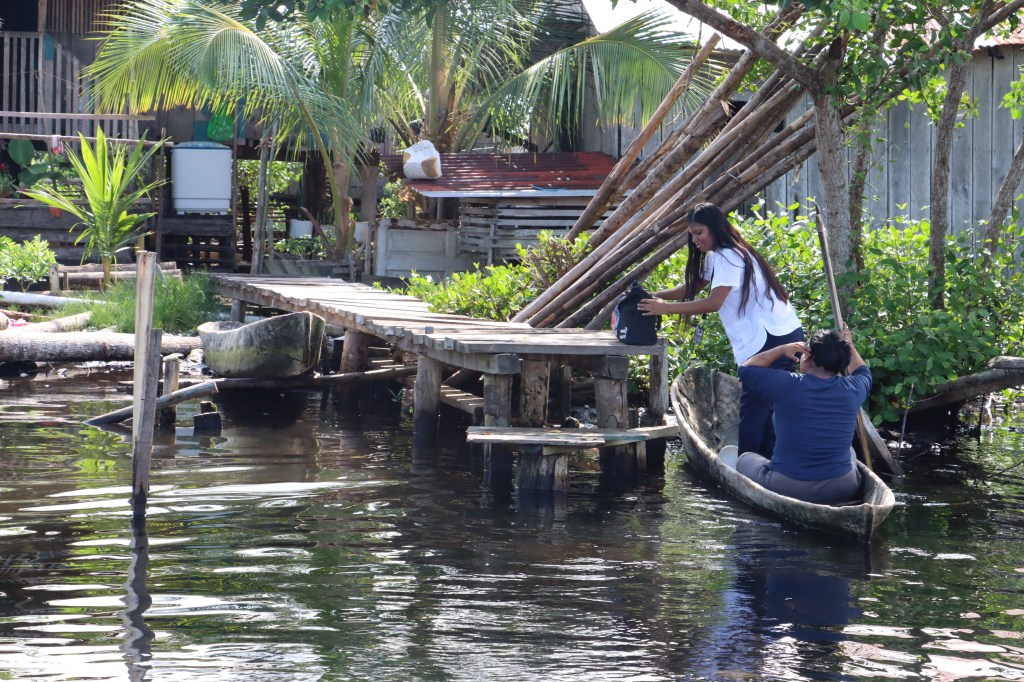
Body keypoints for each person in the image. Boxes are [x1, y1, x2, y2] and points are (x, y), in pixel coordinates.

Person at [637, 202, 803, 457]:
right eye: (691, 234)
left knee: (752, 408)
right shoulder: (723, 254)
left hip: (770, 338)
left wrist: (666, 309)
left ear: (715, 229)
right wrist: (654, 297)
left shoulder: (727, 255)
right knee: (764, 406)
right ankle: (768, 463)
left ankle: (749, 469)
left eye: (699, 233)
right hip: (785, 333)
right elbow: (693, 287)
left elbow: (714, 303)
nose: (694, 240)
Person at [734, 326, 870, 505]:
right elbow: (863, 371)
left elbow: (745, 370)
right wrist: (849, 345)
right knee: (850, 452)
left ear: (806, 356)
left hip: (789, 486)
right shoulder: (854, 388)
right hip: (842, 487)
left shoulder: (787, 384)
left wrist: (781, 350)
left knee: (745, 459)